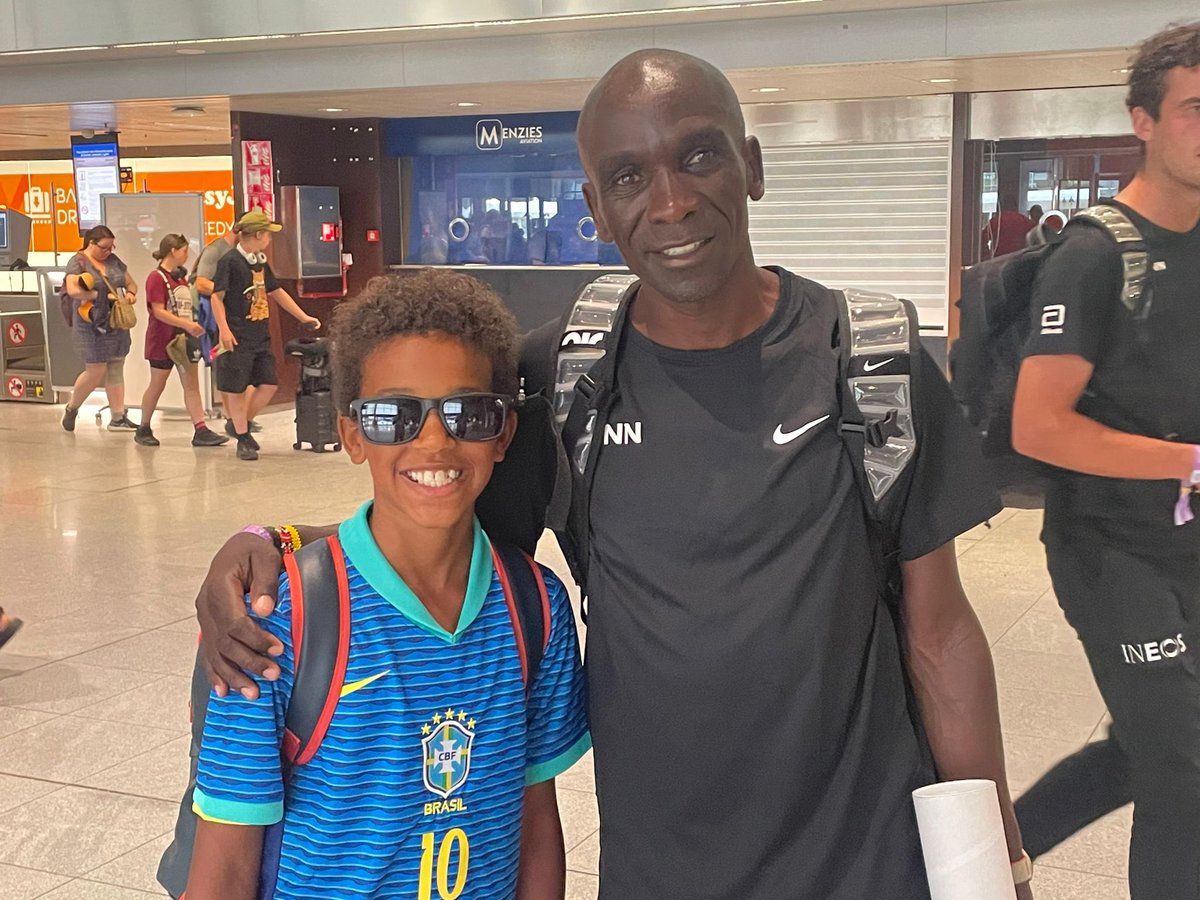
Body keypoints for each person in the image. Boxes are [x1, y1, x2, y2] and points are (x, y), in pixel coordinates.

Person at [193, 50, 1032, 900]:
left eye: (699, 155)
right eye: (628, 176)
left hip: (870, 862)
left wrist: (999, 864)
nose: (671, 202)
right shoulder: (563, 379)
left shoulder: (871, 361)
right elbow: (430, 522)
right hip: (660, 870)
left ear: (752, 165)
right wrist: (272, 545)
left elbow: (941, 634)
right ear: (596, 209)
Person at [184, 269, 589, 899]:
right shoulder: (280, 619)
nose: (435, 441)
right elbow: (226, 869)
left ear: (503, 433)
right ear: (352, 435)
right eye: (394, 415)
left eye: (469, 413)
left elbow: (535, 822)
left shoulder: (537, 609)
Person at [1011, 23, 1200, 899]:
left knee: (1148, 746)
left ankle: (981, 858)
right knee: (1181, 771)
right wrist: (1189, 460)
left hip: (1185, 541)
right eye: (1194, 108)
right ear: (1143, 121)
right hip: (1108, 547)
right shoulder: (1095, 255)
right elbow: (1038, 427)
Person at [209, 211, 320, 461]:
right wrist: (224, 329)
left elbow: (276, 291)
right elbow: (217, 297)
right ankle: (243, 438)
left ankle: (241, 425)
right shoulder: (229, 262)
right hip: (236, 335)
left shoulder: (259, 262)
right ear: (258, 234)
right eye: (268, 234)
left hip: (259, 335)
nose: (270, 239)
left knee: (269, 384)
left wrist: (303, 316)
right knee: (236, 389)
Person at [134, 234, 228, 448]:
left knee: (191, 384)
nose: (186, 255)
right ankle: (144, 425)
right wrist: (186, 324)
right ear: (173, 251)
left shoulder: (180, 279)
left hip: (184, 338)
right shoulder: (156, 278)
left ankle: (200, 428)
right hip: (163, 339)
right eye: (184, 251)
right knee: (158, 383)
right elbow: (158, 311)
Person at [60, 225, 140, 432]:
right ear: (91, 243)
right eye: (104, 247)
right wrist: (101, 296)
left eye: (111, 247)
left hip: (115, 320)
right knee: (96, 370)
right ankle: (72, 407)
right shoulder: (78, 262)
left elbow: (131, 284)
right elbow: (73, 290)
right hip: (91, 323)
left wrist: (130, 294)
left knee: (116, 365)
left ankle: (118, 417)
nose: (108, 252)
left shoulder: (114, 261)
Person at [193, 218, 263, 436]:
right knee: (224, 364)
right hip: (217, 318)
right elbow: (201, 282)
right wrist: (231, 289)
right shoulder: (216, 250)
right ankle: (231, 417)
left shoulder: (248, 255)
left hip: (241, 318)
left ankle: (240, 417)